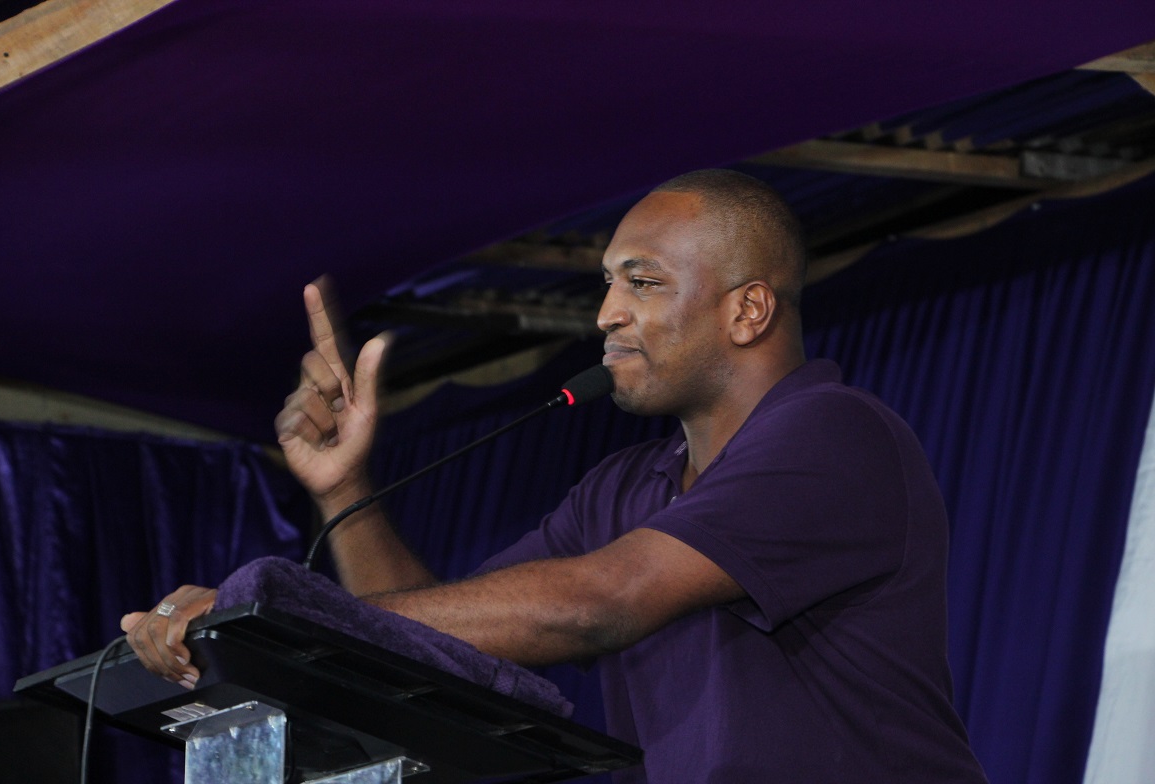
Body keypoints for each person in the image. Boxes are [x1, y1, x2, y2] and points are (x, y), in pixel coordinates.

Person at [122, 169, 988, 783]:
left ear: (748, 309)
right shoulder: (623, 489)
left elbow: (599, 604)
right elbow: (438, 648)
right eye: (608, 284)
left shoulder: (835, 433)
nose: (606, 313)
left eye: (643, 282)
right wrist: (344, 490)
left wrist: (274, 617)